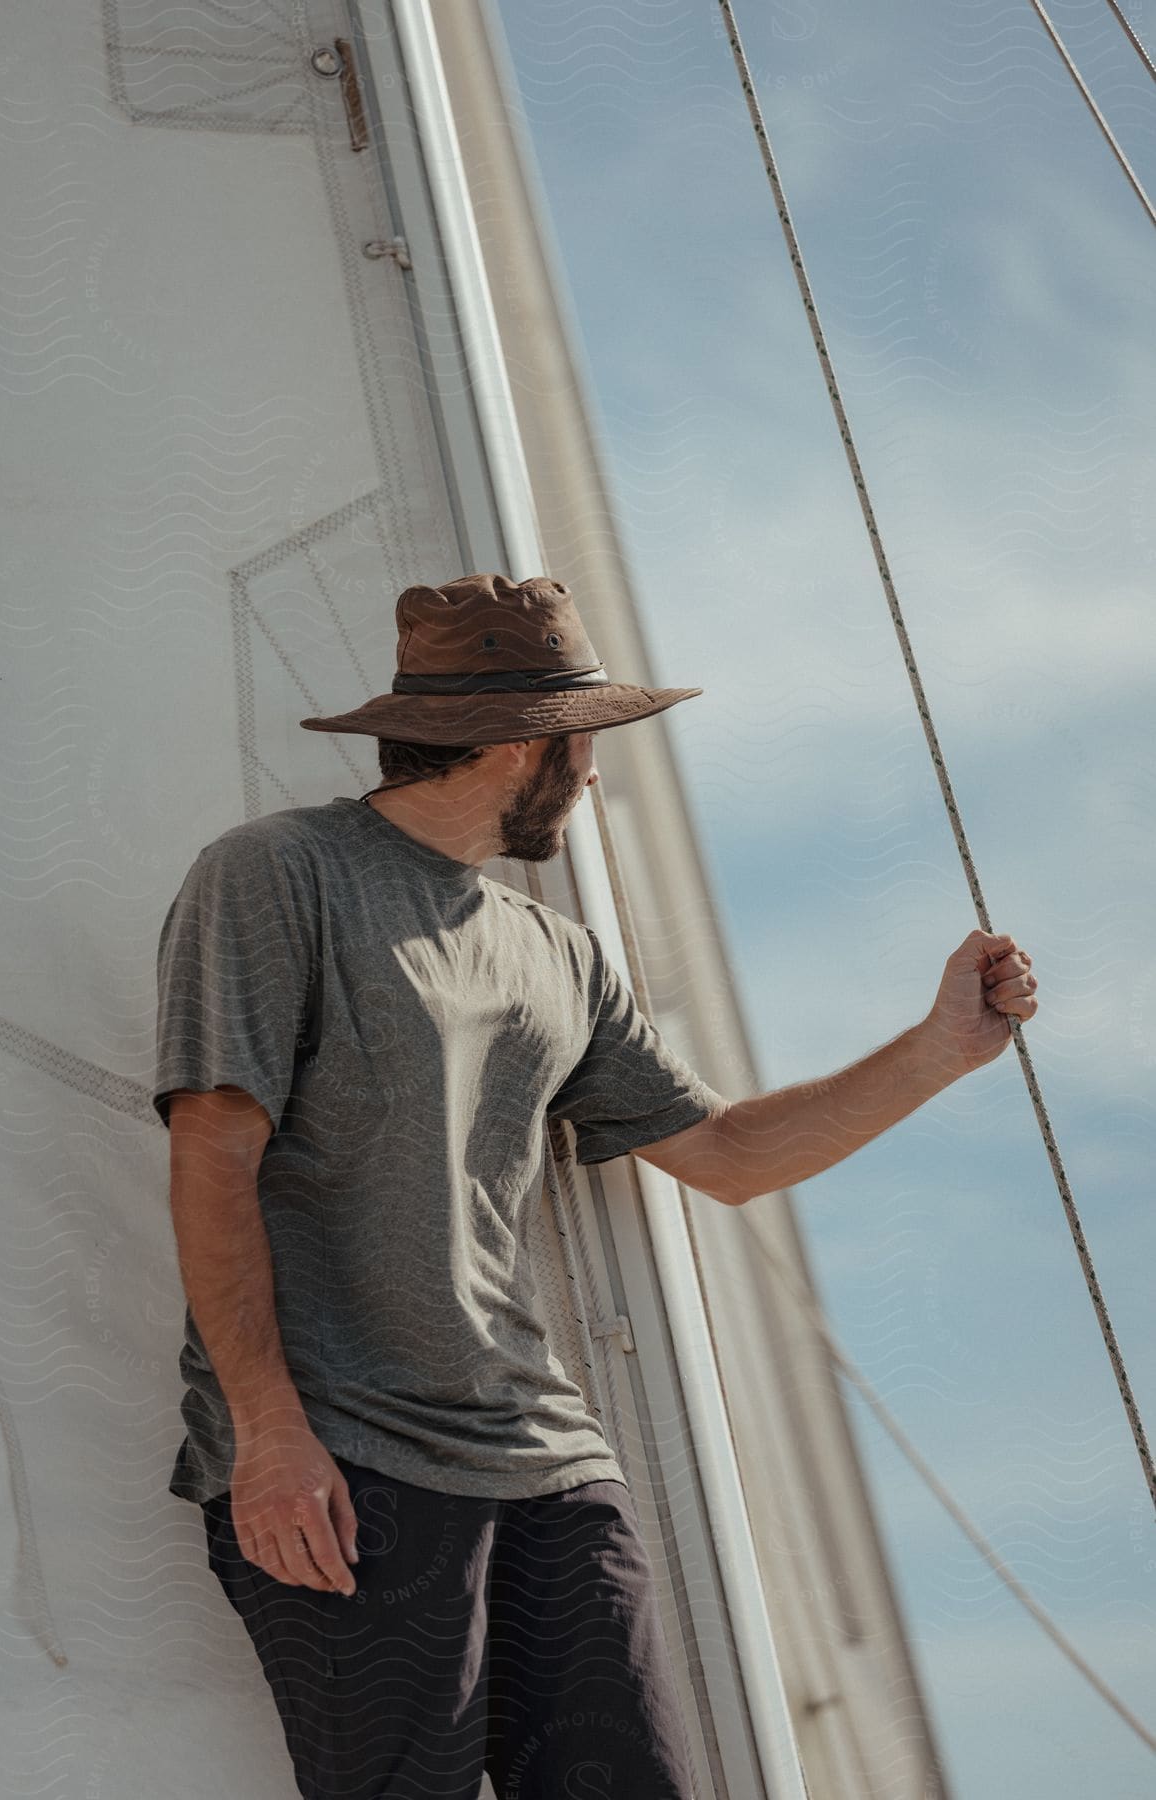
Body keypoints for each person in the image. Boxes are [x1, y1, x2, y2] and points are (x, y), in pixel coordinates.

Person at [151, 572, 1039, 1799]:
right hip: (352, 1457)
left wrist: (940, 1048)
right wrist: (268, 1433)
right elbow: (212, 1149)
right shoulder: (274, 872)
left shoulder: (558, 952)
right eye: (591, 748)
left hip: (550, 1460)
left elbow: (727, 1156)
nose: (598, 777)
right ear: (527, 745)